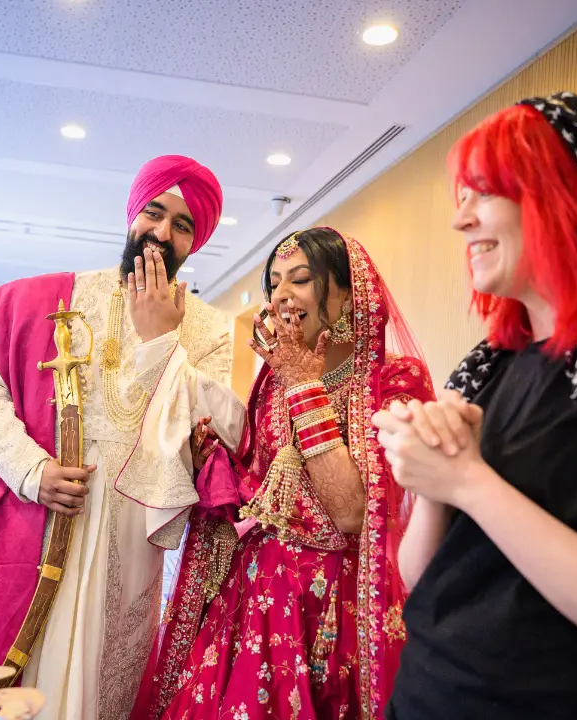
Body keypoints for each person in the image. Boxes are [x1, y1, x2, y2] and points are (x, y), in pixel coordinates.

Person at [0, 155, 234, 720]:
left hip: (132, 537)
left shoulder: (209, 330)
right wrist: (33, 471)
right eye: (153, 214)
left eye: (181, 224)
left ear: (195, 241)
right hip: (37, 516)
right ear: (132, 214)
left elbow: (214, 435)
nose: (161, 233)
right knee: (10, 677)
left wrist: (162, 341)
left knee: (105, 682)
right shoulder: (60, 296)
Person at [133, 227, 435, 720]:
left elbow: (353, 512)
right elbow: (260, 487)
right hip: (251, 598)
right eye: (274, 283)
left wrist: (304, 386)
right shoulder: (272, 378)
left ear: (346, 293)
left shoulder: (393, 381)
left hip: (331, 613)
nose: (281, 296)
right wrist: (209, 458)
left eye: (301, 279)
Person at [371, 91, 577, 719]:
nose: (460, 220)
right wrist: (432, 475)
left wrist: (467, 481)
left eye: (483, 195)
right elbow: (421, 576)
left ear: (559, 197)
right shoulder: (487, 367)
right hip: (428, 692)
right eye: (459, 198)